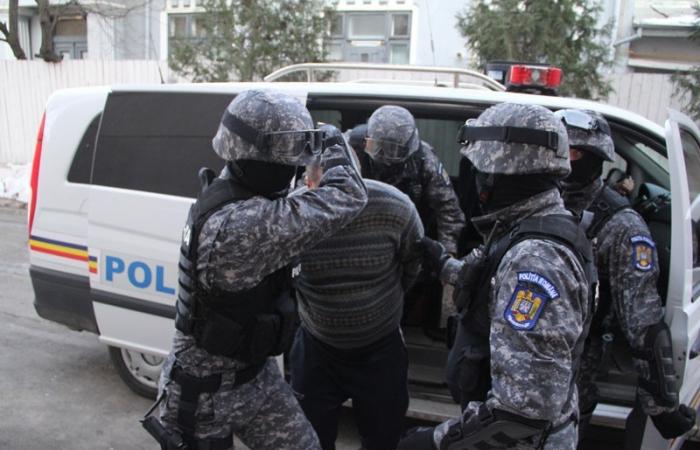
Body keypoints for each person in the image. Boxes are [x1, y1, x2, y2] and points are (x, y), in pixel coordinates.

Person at [144, 89, 368, 450]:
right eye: (287, 159)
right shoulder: (241, 224)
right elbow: (348, 195)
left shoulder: (243, 195)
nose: (295, 168)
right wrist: (331, 142)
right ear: (252, 156)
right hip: (203, 397)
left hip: (255, 378)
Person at [399, 103, 595, 450]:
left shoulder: (535, 259)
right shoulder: (526, 226)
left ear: (497, 175)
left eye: (479, 170)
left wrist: (437, 441)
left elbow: (522, 412)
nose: (475, 179)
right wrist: (442, 262)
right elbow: (488, 281)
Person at [556, 108, 696, 443]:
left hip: (569, 372)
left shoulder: (621, 226)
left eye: (573, 153)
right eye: (557, 148)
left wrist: (661, 406)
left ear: (597, 158)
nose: (562, 160)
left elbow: (643, 326)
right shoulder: (534, 199)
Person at [289, 124, 424, 450]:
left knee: (382, 439)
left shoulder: (396, 206)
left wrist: (379, 308)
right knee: (310, 441)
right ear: (309, 183)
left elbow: (412, 265)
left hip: (381, 350)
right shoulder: (292, 214)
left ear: (357, 177)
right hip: (317, 349)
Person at [360, 105, 464, 255]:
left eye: (392, 149)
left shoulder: (425, 162)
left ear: (408, 147)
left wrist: (446, 256)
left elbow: (449, 211)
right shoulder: (351, 149)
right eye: (376, 146)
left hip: (409, 239)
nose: (383, 157)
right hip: (362, 235)